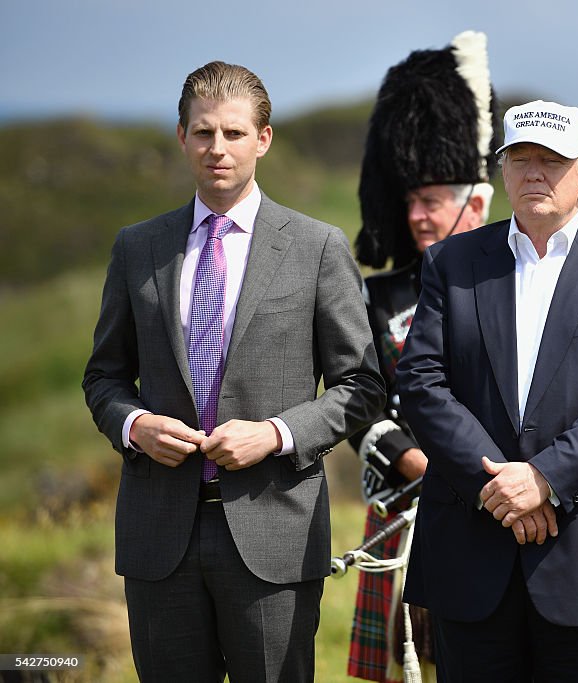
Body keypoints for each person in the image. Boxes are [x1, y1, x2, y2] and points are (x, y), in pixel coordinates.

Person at [82, 61, 385, 682]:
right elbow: (104, 378)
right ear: (182, 137)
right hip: (158, 534)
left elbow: (362, 388)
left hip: (275, 532)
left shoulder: (317, 247)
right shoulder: (137, 247)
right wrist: (134, 424)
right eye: (203, 133)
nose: (217, 148)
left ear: (263, 140)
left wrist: (274, 433)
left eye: (234, 133)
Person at [396, 99, 578, 682]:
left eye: (552, 160)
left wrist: (546, 479)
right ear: (502, 171)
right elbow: (421, 382)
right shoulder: (452, 261)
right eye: (519, 158)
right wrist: (501, 486)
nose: (534, 173)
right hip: (471, 551)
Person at [346, 31, 499, 683]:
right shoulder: (376, 297)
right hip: (407, 513)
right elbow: (359, 402)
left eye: (430, 199)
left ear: (477, 202)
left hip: (502, 510)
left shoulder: (516, 287)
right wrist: (417, 461)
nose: (416, 215)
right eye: (408, 199)